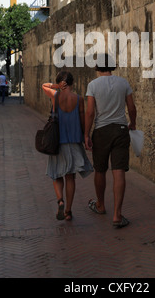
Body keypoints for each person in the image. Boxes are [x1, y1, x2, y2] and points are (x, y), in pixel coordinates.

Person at [85, 54, 137, 229]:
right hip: (121, 130)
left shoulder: (93, 85)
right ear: (112, 66)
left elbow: (90, 112)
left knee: (100, 170)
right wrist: (133, 123)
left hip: (101, 131)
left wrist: (86, 134)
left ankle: (100, 204)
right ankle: (117, 214)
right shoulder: (123, 83)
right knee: (119, 171)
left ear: (96, 67)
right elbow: (131, 107)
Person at [42, 71, 93, 221]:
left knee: (57, 175)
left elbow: (43, 85)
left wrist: (56, 86)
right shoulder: (79, 99)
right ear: (72, 83)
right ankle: (68, 211)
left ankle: (60, 200)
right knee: (70, 177)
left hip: (58, 143)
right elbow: (83, 120)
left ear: (60, 83)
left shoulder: (55, 96)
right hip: (74, 142)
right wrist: (86, 136)